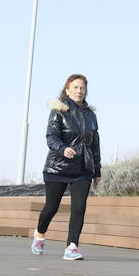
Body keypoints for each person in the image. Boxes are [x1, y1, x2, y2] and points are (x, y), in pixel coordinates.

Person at [32, 73, 100, 260]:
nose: (79, 90)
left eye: (82, 87)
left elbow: (95, 144)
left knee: (79, 207)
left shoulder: (91, 116)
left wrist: (97, 171)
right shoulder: (58, 110)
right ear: (68, 90)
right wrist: (62, 149)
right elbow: (51, 137)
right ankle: (39, 234)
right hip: (58, 167)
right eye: (76, 87)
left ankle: (72, 246)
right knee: (51, 207)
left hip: (82, 169)